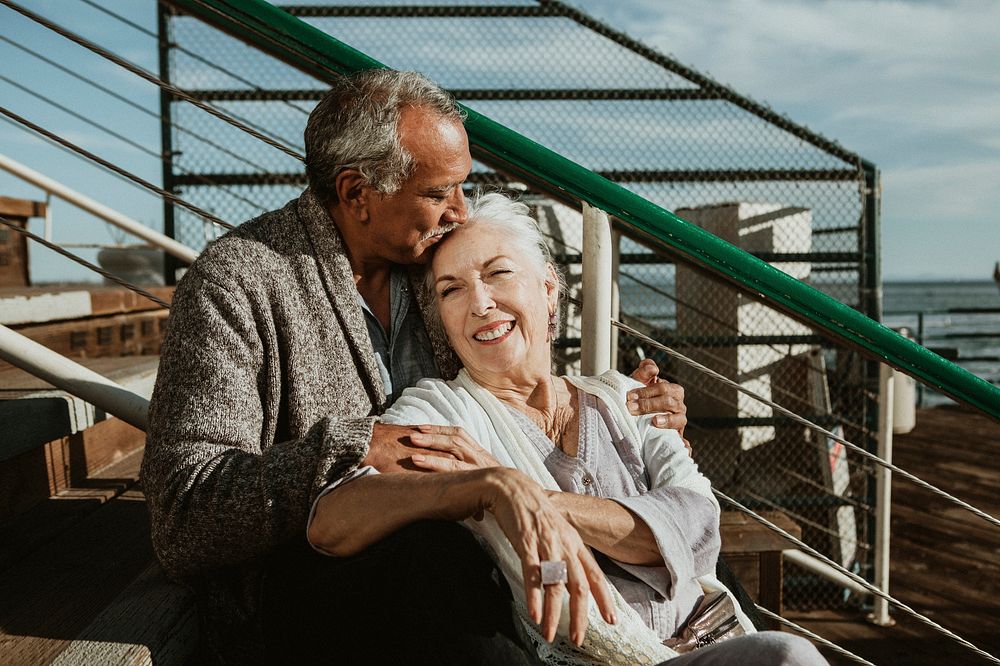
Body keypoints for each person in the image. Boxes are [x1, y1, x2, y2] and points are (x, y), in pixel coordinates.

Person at [141, 69, 690, 664]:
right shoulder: (237, 282)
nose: (460, 210)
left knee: (693, 569)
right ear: (356, 193)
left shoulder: (436, 265)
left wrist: (623, 408)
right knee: (435, 553)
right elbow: (184, 513)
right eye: (439, 193)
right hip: (316, 593)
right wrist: (356, 446)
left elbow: (509, 376)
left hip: (482, 574)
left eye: (464, 187)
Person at [307, 193, 828, 665]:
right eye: (451, 290)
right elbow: (331, 519)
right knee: (789, 657)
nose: (479, 302)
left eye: (499, 273)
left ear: (550, 290)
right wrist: (482, 487)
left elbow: (695, 525)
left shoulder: (627, 395)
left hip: (709, 641)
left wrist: (530, 500)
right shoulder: (445, 410)